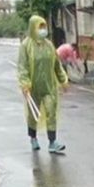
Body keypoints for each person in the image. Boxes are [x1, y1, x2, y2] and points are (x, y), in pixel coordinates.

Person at [17, 15, 68, 154]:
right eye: (40, 27)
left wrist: (63, 80)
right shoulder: (26, 45)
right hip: (33, 87)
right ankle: (33, 138)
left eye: (44, 27)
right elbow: (22, 67)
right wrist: (25, 83)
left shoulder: (49, 45)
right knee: (33, 114)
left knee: (51, 112)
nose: (43, 30)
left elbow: (57, 65)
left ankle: (52, 142)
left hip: (49, 86)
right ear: (33, 27)